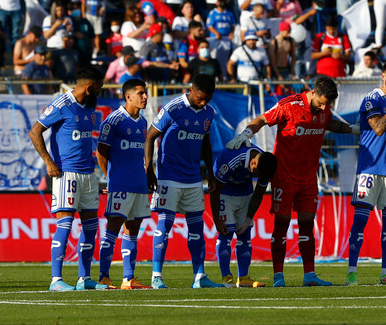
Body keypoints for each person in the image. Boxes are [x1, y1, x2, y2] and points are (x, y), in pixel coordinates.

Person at [225, 76, 355, 287]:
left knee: (307, 226)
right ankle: (278, 276)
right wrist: (247, 133)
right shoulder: (289, 105)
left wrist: (355, 130)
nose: (324, 108)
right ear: (313, 92)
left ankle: (309, 275)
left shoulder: (323, 110)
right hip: (284, 176)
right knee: (281, 225)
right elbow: (262, 119)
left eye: (328, 105)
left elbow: (330, 123)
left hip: (308, 178)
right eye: (321, 103)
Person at [28, 66, 111, 291]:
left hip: (88, 174)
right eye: (99, 88)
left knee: (91, 227)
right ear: (89, 88)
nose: (101, 92)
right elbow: (35, 131)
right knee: (65, 224)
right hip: (66, 173)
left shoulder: (89, 107)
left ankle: (84, 279)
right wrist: (49, 162)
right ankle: (56, 280)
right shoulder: (62, 104)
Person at [144, 74, 224, 289]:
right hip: (169, 176)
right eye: (200, 98)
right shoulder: (173, 108)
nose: (204, 102)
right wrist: (149, 169)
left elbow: (206, 143)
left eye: (208, 98)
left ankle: (199, 276)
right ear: (191, 90)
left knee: (197, 227)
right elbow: (150, 136)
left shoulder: (209, 113)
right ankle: (156, 276)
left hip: (193, 178)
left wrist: (210, 173)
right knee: (164, 225)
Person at [346, 60, 386, 286]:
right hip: (369, 171)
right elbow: (379, 128)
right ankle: (352, 272)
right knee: (360, 223)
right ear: (383, 75)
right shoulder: (372, 99)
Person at [96, 78, 153, 290]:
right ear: (128, 96)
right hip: (120, 184)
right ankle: (104, 277)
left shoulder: (143, 122)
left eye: (145, 93)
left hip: (139, 184)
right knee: (112, 229)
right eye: (141, 93)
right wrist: (110, 178)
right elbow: (101, 152)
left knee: (133, 230)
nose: (145, 97)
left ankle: (128, 278)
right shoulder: (114, 120)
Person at [210, 141, 278, 288]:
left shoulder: (264, 164)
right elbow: (215, 190)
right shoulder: (231, 159)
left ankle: (244, 278)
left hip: (245, 193)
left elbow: (258, 194)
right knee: (226, 233)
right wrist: (216, 219)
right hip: (225, 193)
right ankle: (226, 277)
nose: (257, 176)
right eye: (256, 173)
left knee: (245, 235)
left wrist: (248, 219)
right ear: (252, 162)